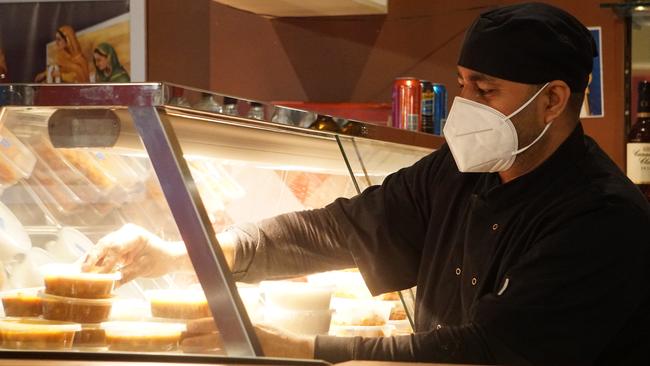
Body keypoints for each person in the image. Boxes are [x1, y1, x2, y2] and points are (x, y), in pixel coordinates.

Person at [83, 3, 650, 365]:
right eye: (461, 85)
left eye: (486, 89)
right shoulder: (456, 170)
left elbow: (489, 351)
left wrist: (302, 349)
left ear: (551, 99)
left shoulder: (602, 217)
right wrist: (186, 255)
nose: (466, 106)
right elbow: (338, 229)